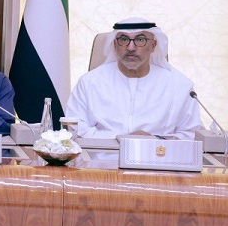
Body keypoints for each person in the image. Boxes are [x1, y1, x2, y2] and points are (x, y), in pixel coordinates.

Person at [67, 18, 201, 139]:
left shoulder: (179, 86)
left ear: (153, 46)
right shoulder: (89, 82)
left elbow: (192, 135)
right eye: (124, 40)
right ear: (115, 45)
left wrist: (154, 140)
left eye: (140, 40)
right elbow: (74, 128)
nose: (131, 47)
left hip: (158, 157)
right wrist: (119, 138)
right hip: (102, 157)